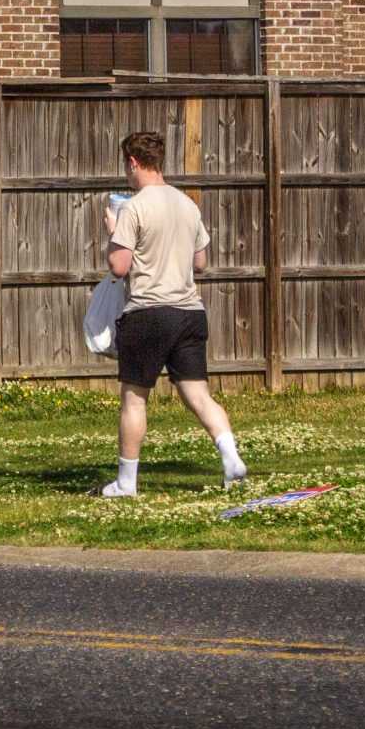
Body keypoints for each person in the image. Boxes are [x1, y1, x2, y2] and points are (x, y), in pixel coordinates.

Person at [99, 129, 246, 497]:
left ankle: (126, 483)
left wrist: (113, 231)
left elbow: (119, 266)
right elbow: (201, 261)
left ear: (133, 162)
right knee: (198, 394)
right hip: (189, 313)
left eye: (126, 166)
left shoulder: (134, 206)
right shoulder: (187, 204)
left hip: (149, 312)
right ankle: (230, 457)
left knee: (134, 398)